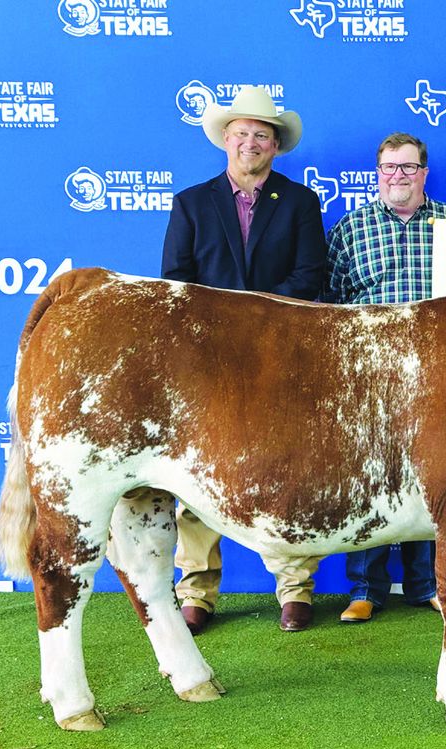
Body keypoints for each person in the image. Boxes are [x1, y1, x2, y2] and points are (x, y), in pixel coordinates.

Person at [161, 85, 327, 634]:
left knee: (288, 465)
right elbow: (176, 283)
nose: (250, 142)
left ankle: (295, 586)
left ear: (275, 146)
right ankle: (197, 589)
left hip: (282, 352)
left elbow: (311, 277)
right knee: (194, 470)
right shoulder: (190, 203)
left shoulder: (301, 202)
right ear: (225, 141)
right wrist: (225, 325)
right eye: (241, 134)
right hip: (208, 357)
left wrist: (258, 320)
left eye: (261, 135)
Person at [324, 132, 446, 623]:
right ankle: (366, 588)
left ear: (424, 172)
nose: (397, 176)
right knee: (370, 476)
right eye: (388, 168)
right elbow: (332, 302)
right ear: (377, 173)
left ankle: (426, 584)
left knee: (435, 474)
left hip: (439, 373)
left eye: (408, 167)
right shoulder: (350, 229)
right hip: (370, 376)